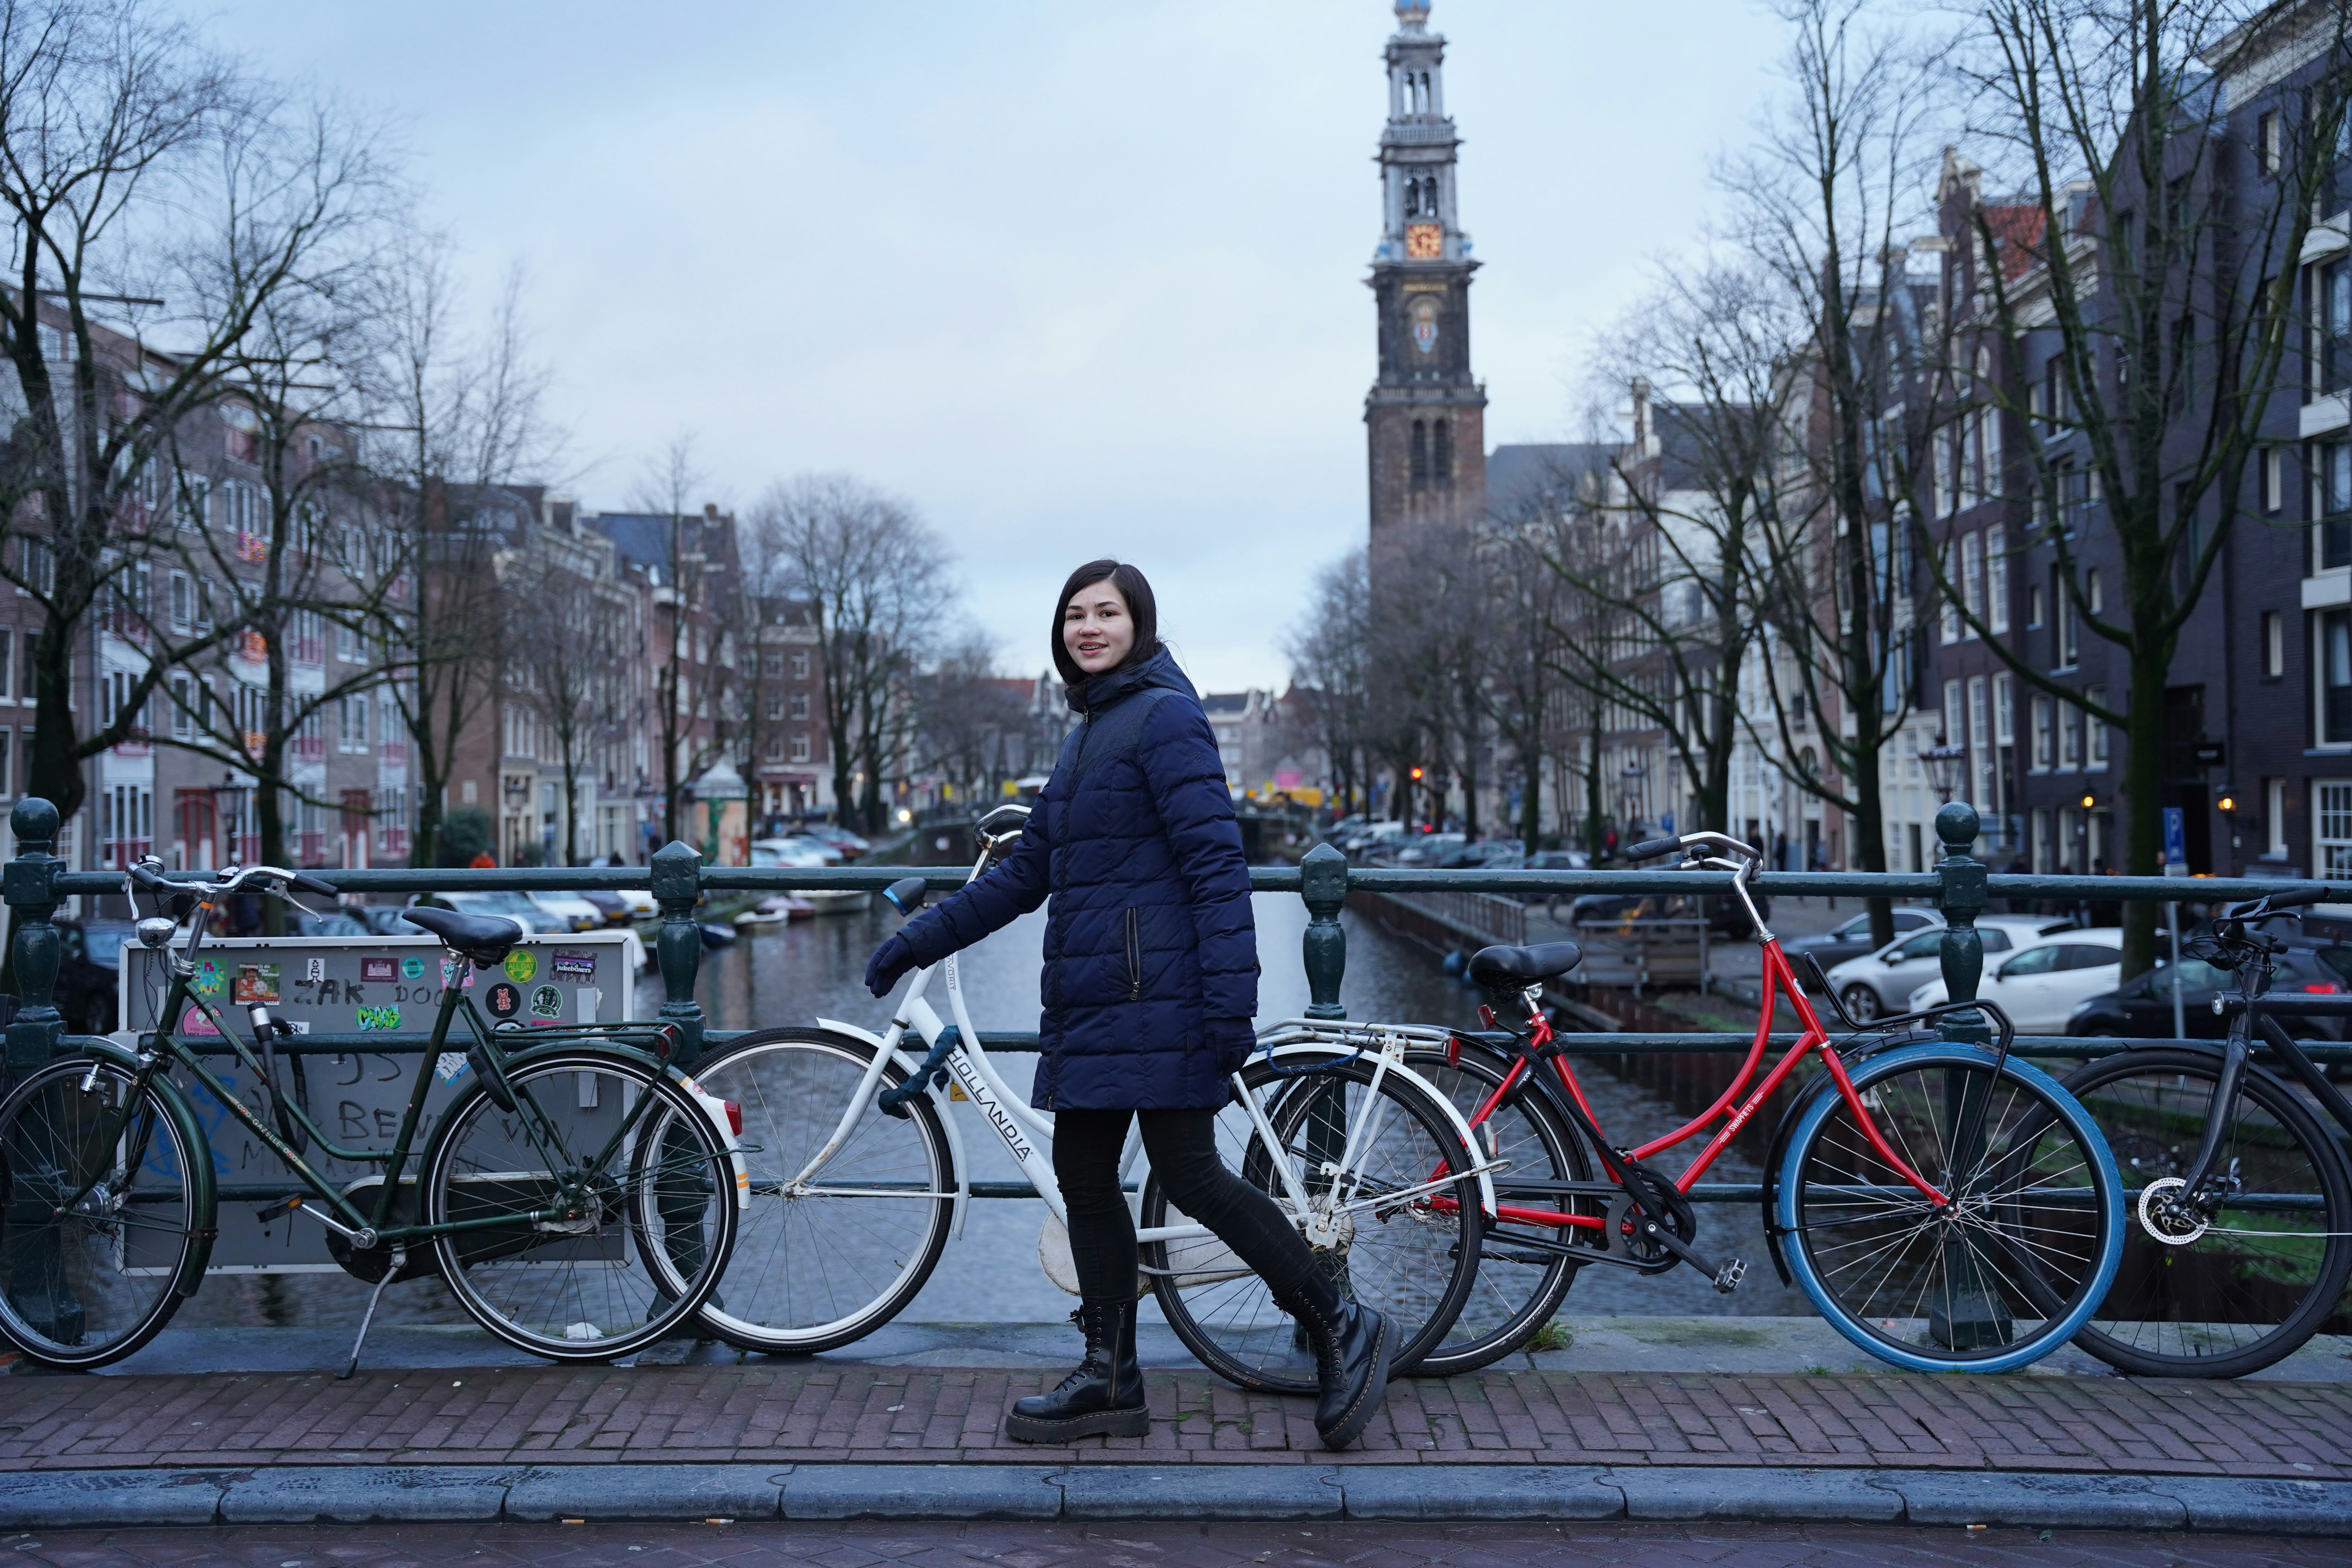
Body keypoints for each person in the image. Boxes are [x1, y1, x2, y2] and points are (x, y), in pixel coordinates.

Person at [861, 560, 1394, 1452]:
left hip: (1163, 996)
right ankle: (1110, 1375)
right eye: (1075, 613)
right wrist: (924, 935)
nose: (1088, 626)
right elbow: (1028, 871)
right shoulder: (1089, 731)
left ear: (1139, 624)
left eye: (1106, 612)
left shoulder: (1168, 716)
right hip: (1097, 998)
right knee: (1085, 1175)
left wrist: (1231, 1001)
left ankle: (1338, 1319)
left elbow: (1217, 866)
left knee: (1191, 1174)